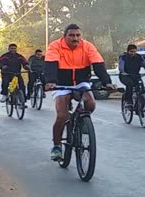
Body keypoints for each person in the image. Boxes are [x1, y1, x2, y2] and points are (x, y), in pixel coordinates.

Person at [44, 24, 116, 161]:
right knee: (62, 115)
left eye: (78, 35)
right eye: (71, 35)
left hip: (81, 81)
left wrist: (107, 82)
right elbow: (51, 65)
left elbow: (98, 65)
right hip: (61, 83)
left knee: (90, 103)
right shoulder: (55, 46)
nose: (75, 38)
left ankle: (81, 121)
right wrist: (51, 81)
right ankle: (57, 146)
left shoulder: (88, 46)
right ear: (64, 36)